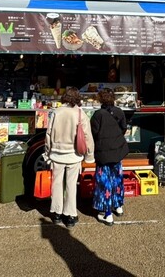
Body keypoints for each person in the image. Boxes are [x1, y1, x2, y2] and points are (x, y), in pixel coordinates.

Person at [45, 87, 94, 228]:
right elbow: (87, 136)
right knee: (71, 185)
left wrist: (48, 153)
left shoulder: (56, 112)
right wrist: (89, 156)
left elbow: (48, 134)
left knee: (57, 184)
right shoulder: (80, 113)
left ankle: (56, 213)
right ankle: (70, 215)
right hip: (74, 155)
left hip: (57, 154)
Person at [90, 88, 129, 226]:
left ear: (101, 99)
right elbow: (124, 128)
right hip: (117, 150)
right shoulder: (119, 111)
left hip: (103, 153)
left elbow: (94, 133)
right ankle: (118, 206)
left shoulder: (98, 115)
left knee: (104, 182)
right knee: (117, 179)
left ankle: (107, 214)